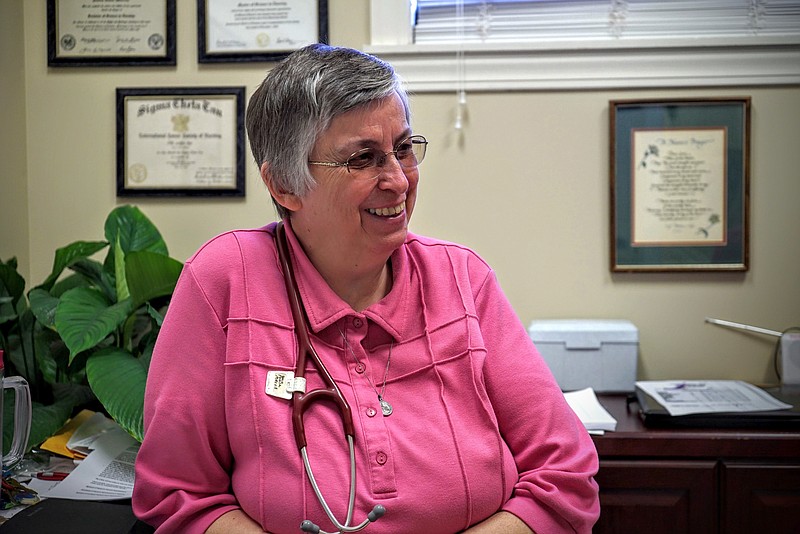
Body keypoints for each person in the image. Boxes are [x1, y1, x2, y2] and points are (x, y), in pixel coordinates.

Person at [132, 43, 599, 534]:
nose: (398, 181)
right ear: (284, 187)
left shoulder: (463, 280)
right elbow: (179, 493)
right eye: (363, 159)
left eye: (402, 149)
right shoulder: (225, 282)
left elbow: (564, 475)